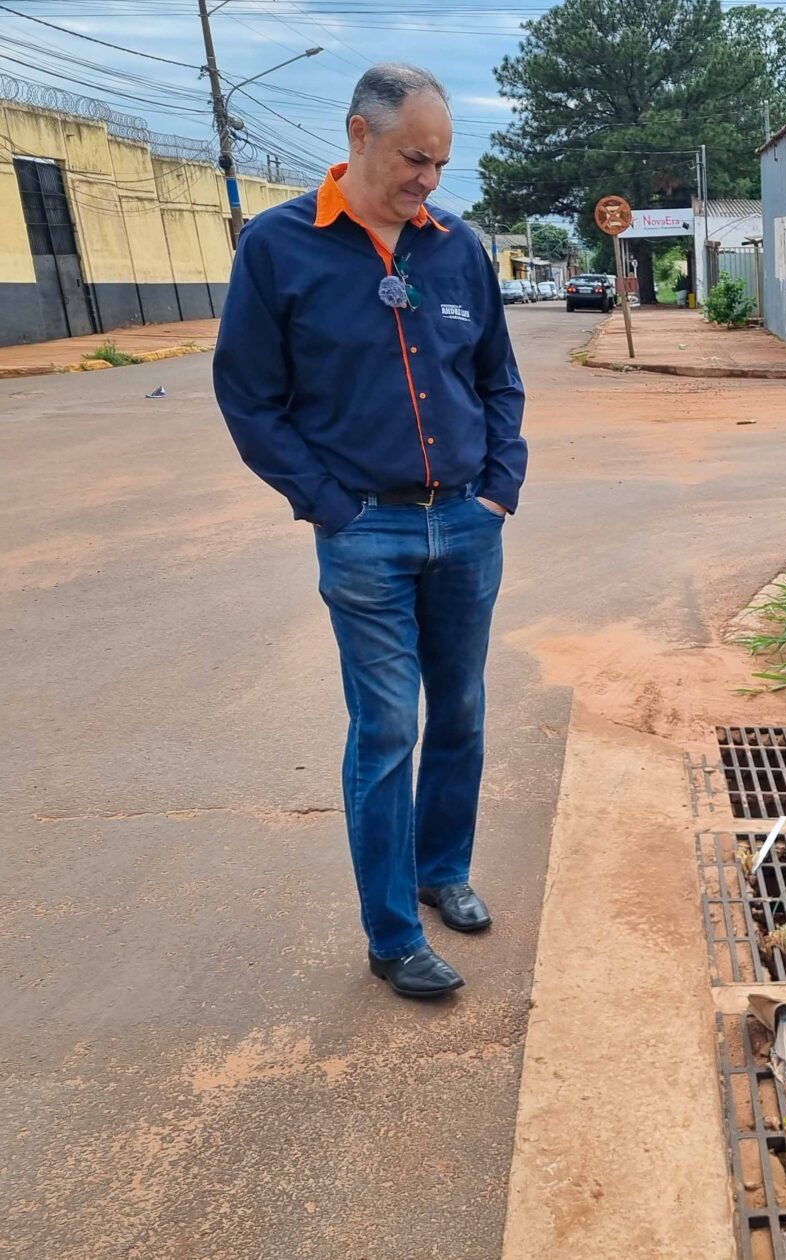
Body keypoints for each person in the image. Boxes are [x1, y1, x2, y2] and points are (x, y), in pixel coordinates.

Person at [213, 64, 527, 999]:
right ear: (359, 135)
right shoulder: (278, 248)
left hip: (467, 523)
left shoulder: (457, 248)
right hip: (366, 535)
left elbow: (498, 378)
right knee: (388, 727)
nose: (427, 178)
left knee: (461, 712)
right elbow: (250, 399)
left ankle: (443, 873)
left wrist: (500, 486)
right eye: (412, 158)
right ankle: (392, 933)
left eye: (439, 161)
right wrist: (326, 504)